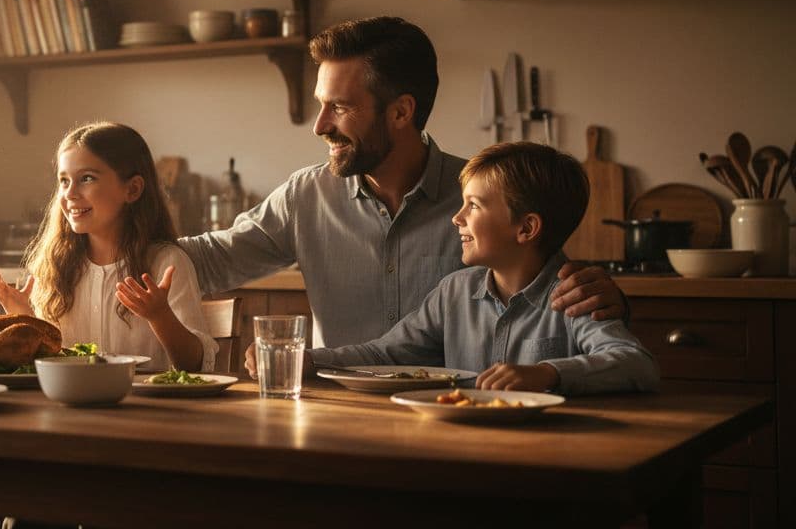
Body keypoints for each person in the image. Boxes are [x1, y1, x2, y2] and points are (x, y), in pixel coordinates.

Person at [175, 17, 628, 371]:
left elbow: (550, 290)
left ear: (400, 112)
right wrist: (136, 240)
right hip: (339, 415)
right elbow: (210, 261)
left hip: (453, 419)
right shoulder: (306, 196)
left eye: (340, 107)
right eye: (320, 104)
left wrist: (606, 300)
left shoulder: (485, 199)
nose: (320, 126)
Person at [270, 142, 658, 395]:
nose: (457, 218)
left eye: (474, 206)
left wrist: (548, 374)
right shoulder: (453, 291)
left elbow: (637, 364)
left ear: (526, 229)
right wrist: (309, 360)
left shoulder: (574, 297)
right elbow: (385, 354)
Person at [0, 122, 217, 372]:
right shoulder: (55, 268)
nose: (70, 193)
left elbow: (195, 366)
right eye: (64, 181)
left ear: (132, 189)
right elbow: (51, 361)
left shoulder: (167, 263)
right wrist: (25, 318)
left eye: (87, 178)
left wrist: (160, 316)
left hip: (145, 399)